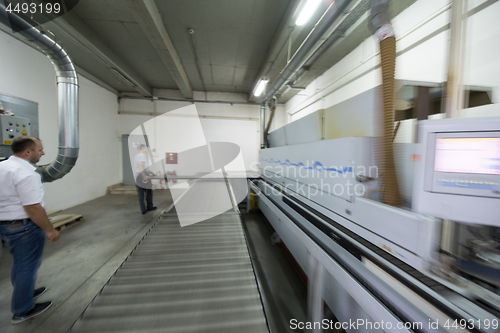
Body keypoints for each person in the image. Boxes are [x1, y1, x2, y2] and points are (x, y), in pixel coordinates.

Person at [0, 136, 60, 324]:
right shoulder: (26, 174)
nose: (43, 153)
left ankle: (24, 291)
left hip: (6, 225)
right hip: (25, 227)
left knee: (19, 262)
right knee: (28, 266)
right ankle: (23, 309)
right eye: (40, 150)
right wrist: (50, 230)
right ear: (28, 152)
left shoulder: (3, 167)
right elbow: (33, 207)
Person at [133, 144, 156, 214]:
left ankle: (143, 210)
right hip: (142, 175)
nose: (147, 150)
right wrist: (144, 176)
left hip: (138, 176)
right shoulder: (141, 156)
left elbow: (143, 167)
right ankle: (149, 207)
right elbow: (140, 167)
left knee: (141, 193)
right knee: (148, 192)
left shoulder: (136, 156)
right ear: (142, 148)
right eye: (146, 148)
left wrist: (152, 173)